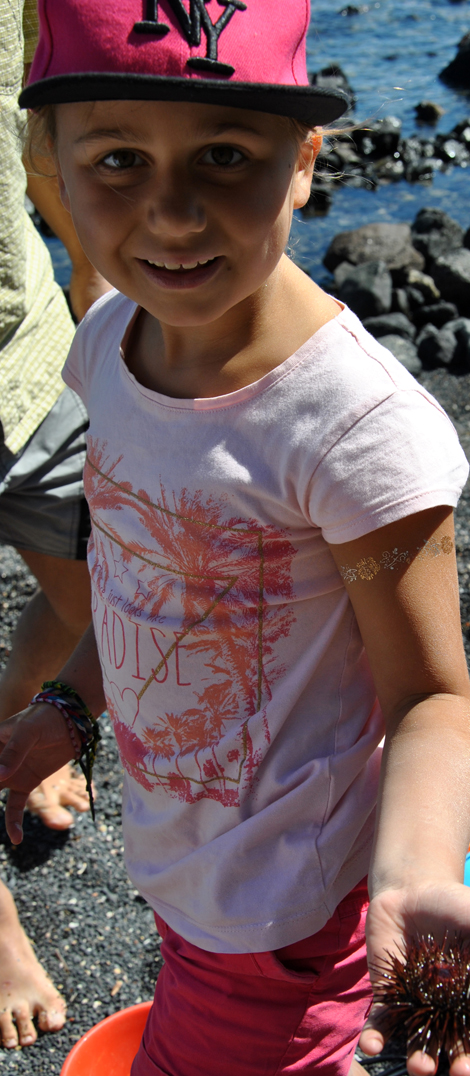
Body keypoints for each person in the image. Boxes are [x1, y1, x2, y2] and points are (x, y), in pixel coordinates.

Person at [0, 0, 470, 1073]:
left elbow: (431, 699)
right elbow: (147, 582)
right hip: (186, 870)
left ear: (303, 161)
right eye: (117, 159)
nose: (171, 213)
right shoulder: (108, 340)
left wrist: (416, 874)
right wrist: (67, 705)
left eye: (224, 154)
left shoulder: (357, 430)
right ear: (47, 164)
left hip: (287, 917)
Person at [0, 0, 111, 1050]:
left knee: (102, 602)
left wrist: (94, 271)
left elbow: (34, 119)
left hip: (27, 353)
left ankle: (17, 734)